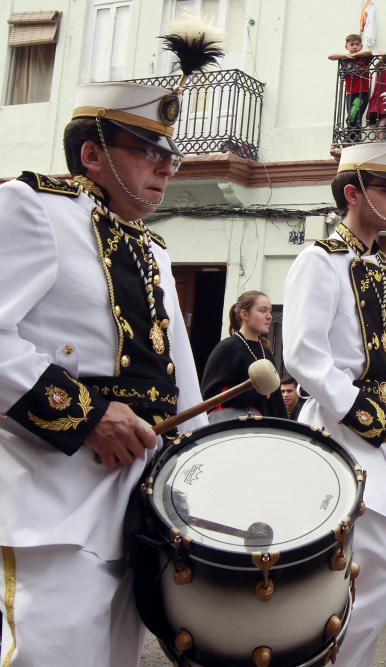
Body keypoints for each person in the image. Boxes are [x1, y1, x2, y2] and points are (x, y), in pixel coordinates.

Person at [0, 23, 219, 666]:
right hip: (49, 498)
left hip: (137, 505)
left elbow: (182, 385)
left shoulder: (152, 251)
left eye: (171, 155)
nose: (167, 167)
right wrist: (88, 413)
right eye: (148, 149)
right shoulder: (32, 208)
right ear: (93, 153)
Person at [282, 137, 386, 665]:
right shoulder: (318, 260)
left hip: (382, 447)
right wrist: (374, 418)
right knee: (366, 581)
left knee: (372, 584)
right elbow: (304, 356)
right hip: (339, 438)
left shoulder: (381, 270)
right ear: (353, 193)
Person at [200, 290, 285, 421]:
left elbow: (276, 400)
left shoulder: (265, 351)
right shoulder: (228, 348)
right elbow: (212, 396)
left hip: (268, 431)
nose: (269, 316)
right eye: (263, 311)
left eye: (270, 311)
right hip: (238, 430)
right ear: (245, 314)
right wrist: (257, 392)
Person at [328, 33, 373, 129]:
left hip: (361, 93)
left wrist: (355, 55)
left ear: (361, 46)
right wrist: (347, 55)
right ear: (346, 46)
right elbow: (330, 56)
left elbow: (369, 52)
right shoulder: (345, 59)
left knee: (352, 117)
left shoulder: (364, 58)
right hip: (350, 94)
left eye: (357, 44)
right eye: (352, 45)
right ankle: (354, 138)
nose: (355, 46)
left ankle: (351, 139)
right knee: (354, 117)